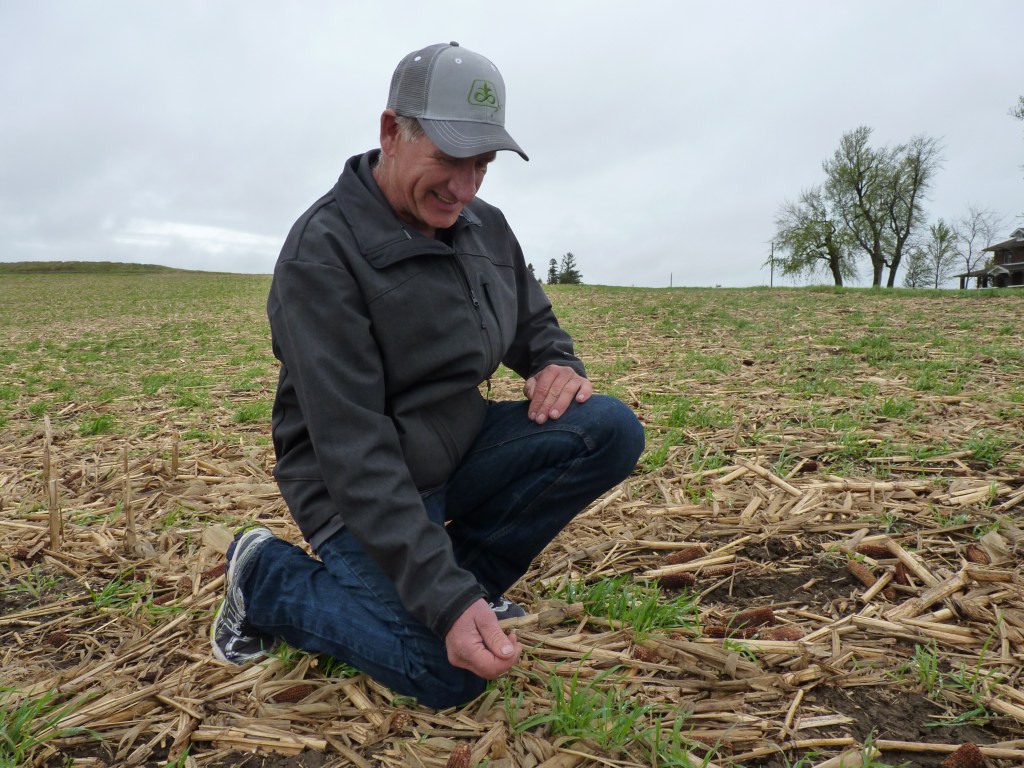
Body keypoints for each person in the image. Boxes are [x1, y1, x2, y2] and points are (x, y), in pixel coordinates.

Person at [210, 42, 644, 709]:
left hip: (456, 446)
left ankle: (474, 579)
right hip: (356, 487)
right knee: (447, 675)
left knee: (608, 429)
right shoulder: (322, 256)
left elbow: (532, 321)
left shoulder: (485, 227)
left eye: (482, 164)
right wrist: (441, 602)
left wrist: (556, 361)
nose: (465, 187)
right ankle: (265, 578)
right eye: (448, 158)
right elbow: (354, 452)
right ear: (391, 131)